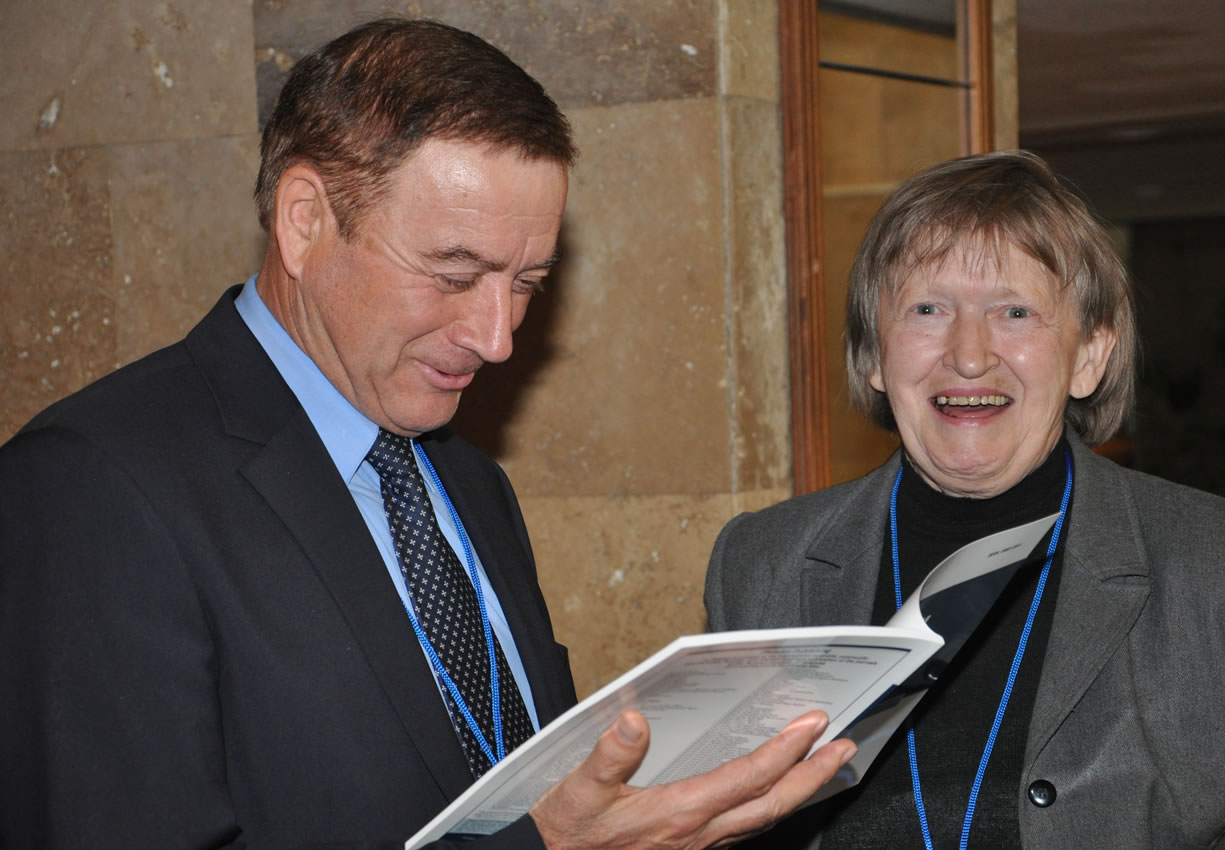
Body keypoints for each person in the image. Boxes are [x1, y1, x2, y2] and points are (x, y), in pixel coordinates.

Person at [0, 17, 855, 850]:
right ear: (304, 220)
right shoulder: (91, 486)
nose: (497, 337)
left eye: (527, 283)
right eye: (454, 274)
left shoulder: (468, 481)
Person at [705, 150, 1225, 848]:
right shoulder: (761, 563)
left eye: (1014, 311)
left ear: (1090, 355)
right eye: (927, 309)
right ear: (875, 354)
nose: (970, 354)